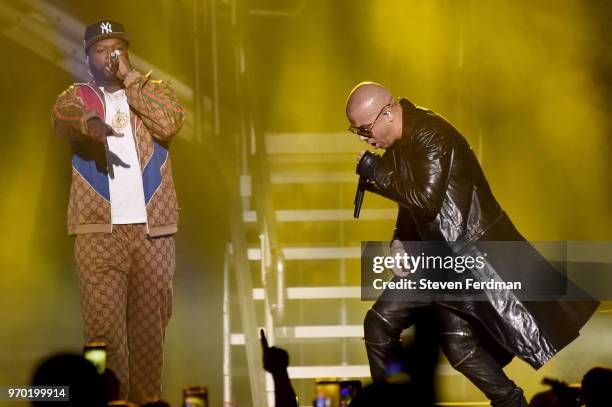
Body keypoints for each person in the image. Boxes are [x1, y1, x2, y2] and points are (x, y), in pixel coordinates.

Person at [346, 82, 598, 406]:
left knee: (452, 344)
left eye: (365, 129)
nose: (365, 139)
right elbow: (409, 206)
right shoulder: (399, 147)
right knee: (390, 328)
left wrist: (376, 170)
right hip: (437, 261)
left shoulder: (430, 134)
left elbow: (424, 200)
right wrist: (399, 241)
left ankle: (505, 401)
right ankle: (402, 399)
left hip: (464, 259)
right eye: (357, 132)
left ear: (388, 113)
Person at [51, 20, 185, 403]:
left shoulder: (153, 91)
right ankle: (103, 401)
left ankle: (145, 402)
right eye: (101, 50)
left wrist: (131, 80)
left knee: (150, 335)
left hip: (154, 233)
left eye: (118, 49)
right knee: (102, 335)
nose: (111, 56)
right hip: (98, 233)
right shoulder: (76, 95)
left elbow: (170, 122)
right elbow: (63, 117)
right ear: (87, 57)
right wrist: (91, 122)